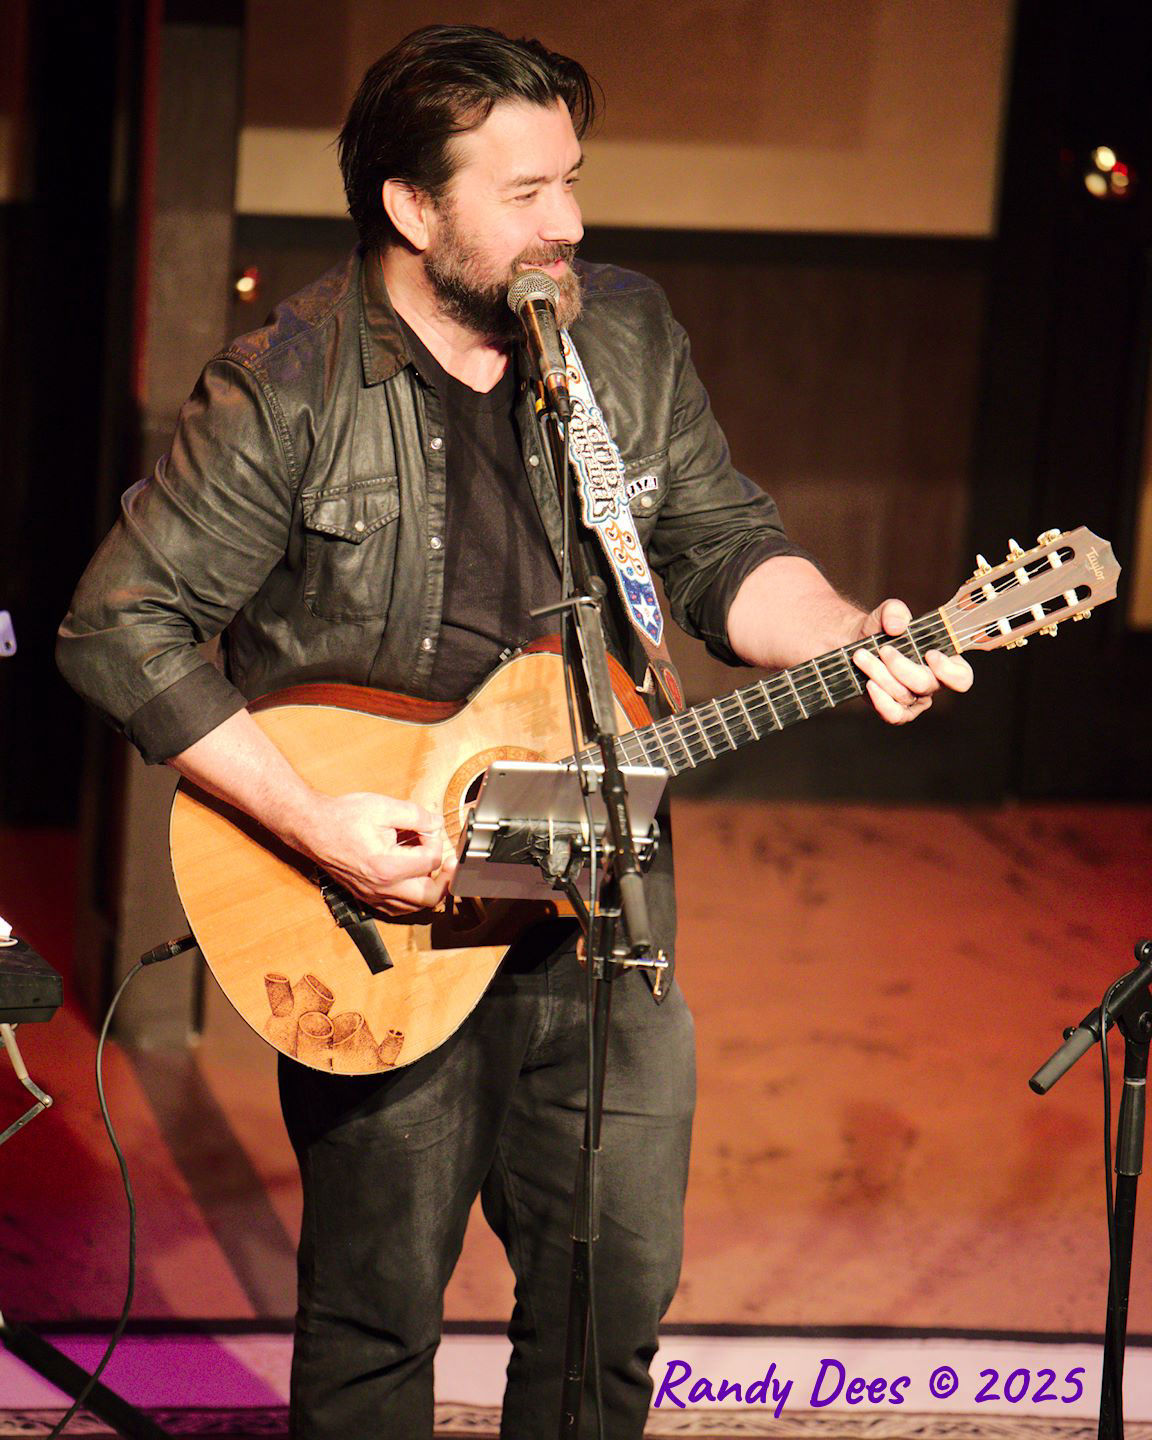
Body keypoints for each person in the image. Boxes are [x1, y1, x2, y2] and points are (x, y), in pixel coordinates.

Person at [58, 24, 973, 1439]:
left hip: (606, 896)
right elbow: (120, 627)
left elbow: (725, 548)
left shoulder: (621, 333)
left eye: (575, 182)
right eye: (528, 193)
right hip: (387, 908)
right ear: (413, 211)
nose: (573, 222)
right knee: (374, 1321)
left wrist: (849, 631)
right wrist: (322, 828)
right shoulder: (286, 387)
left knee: (610, 1311)